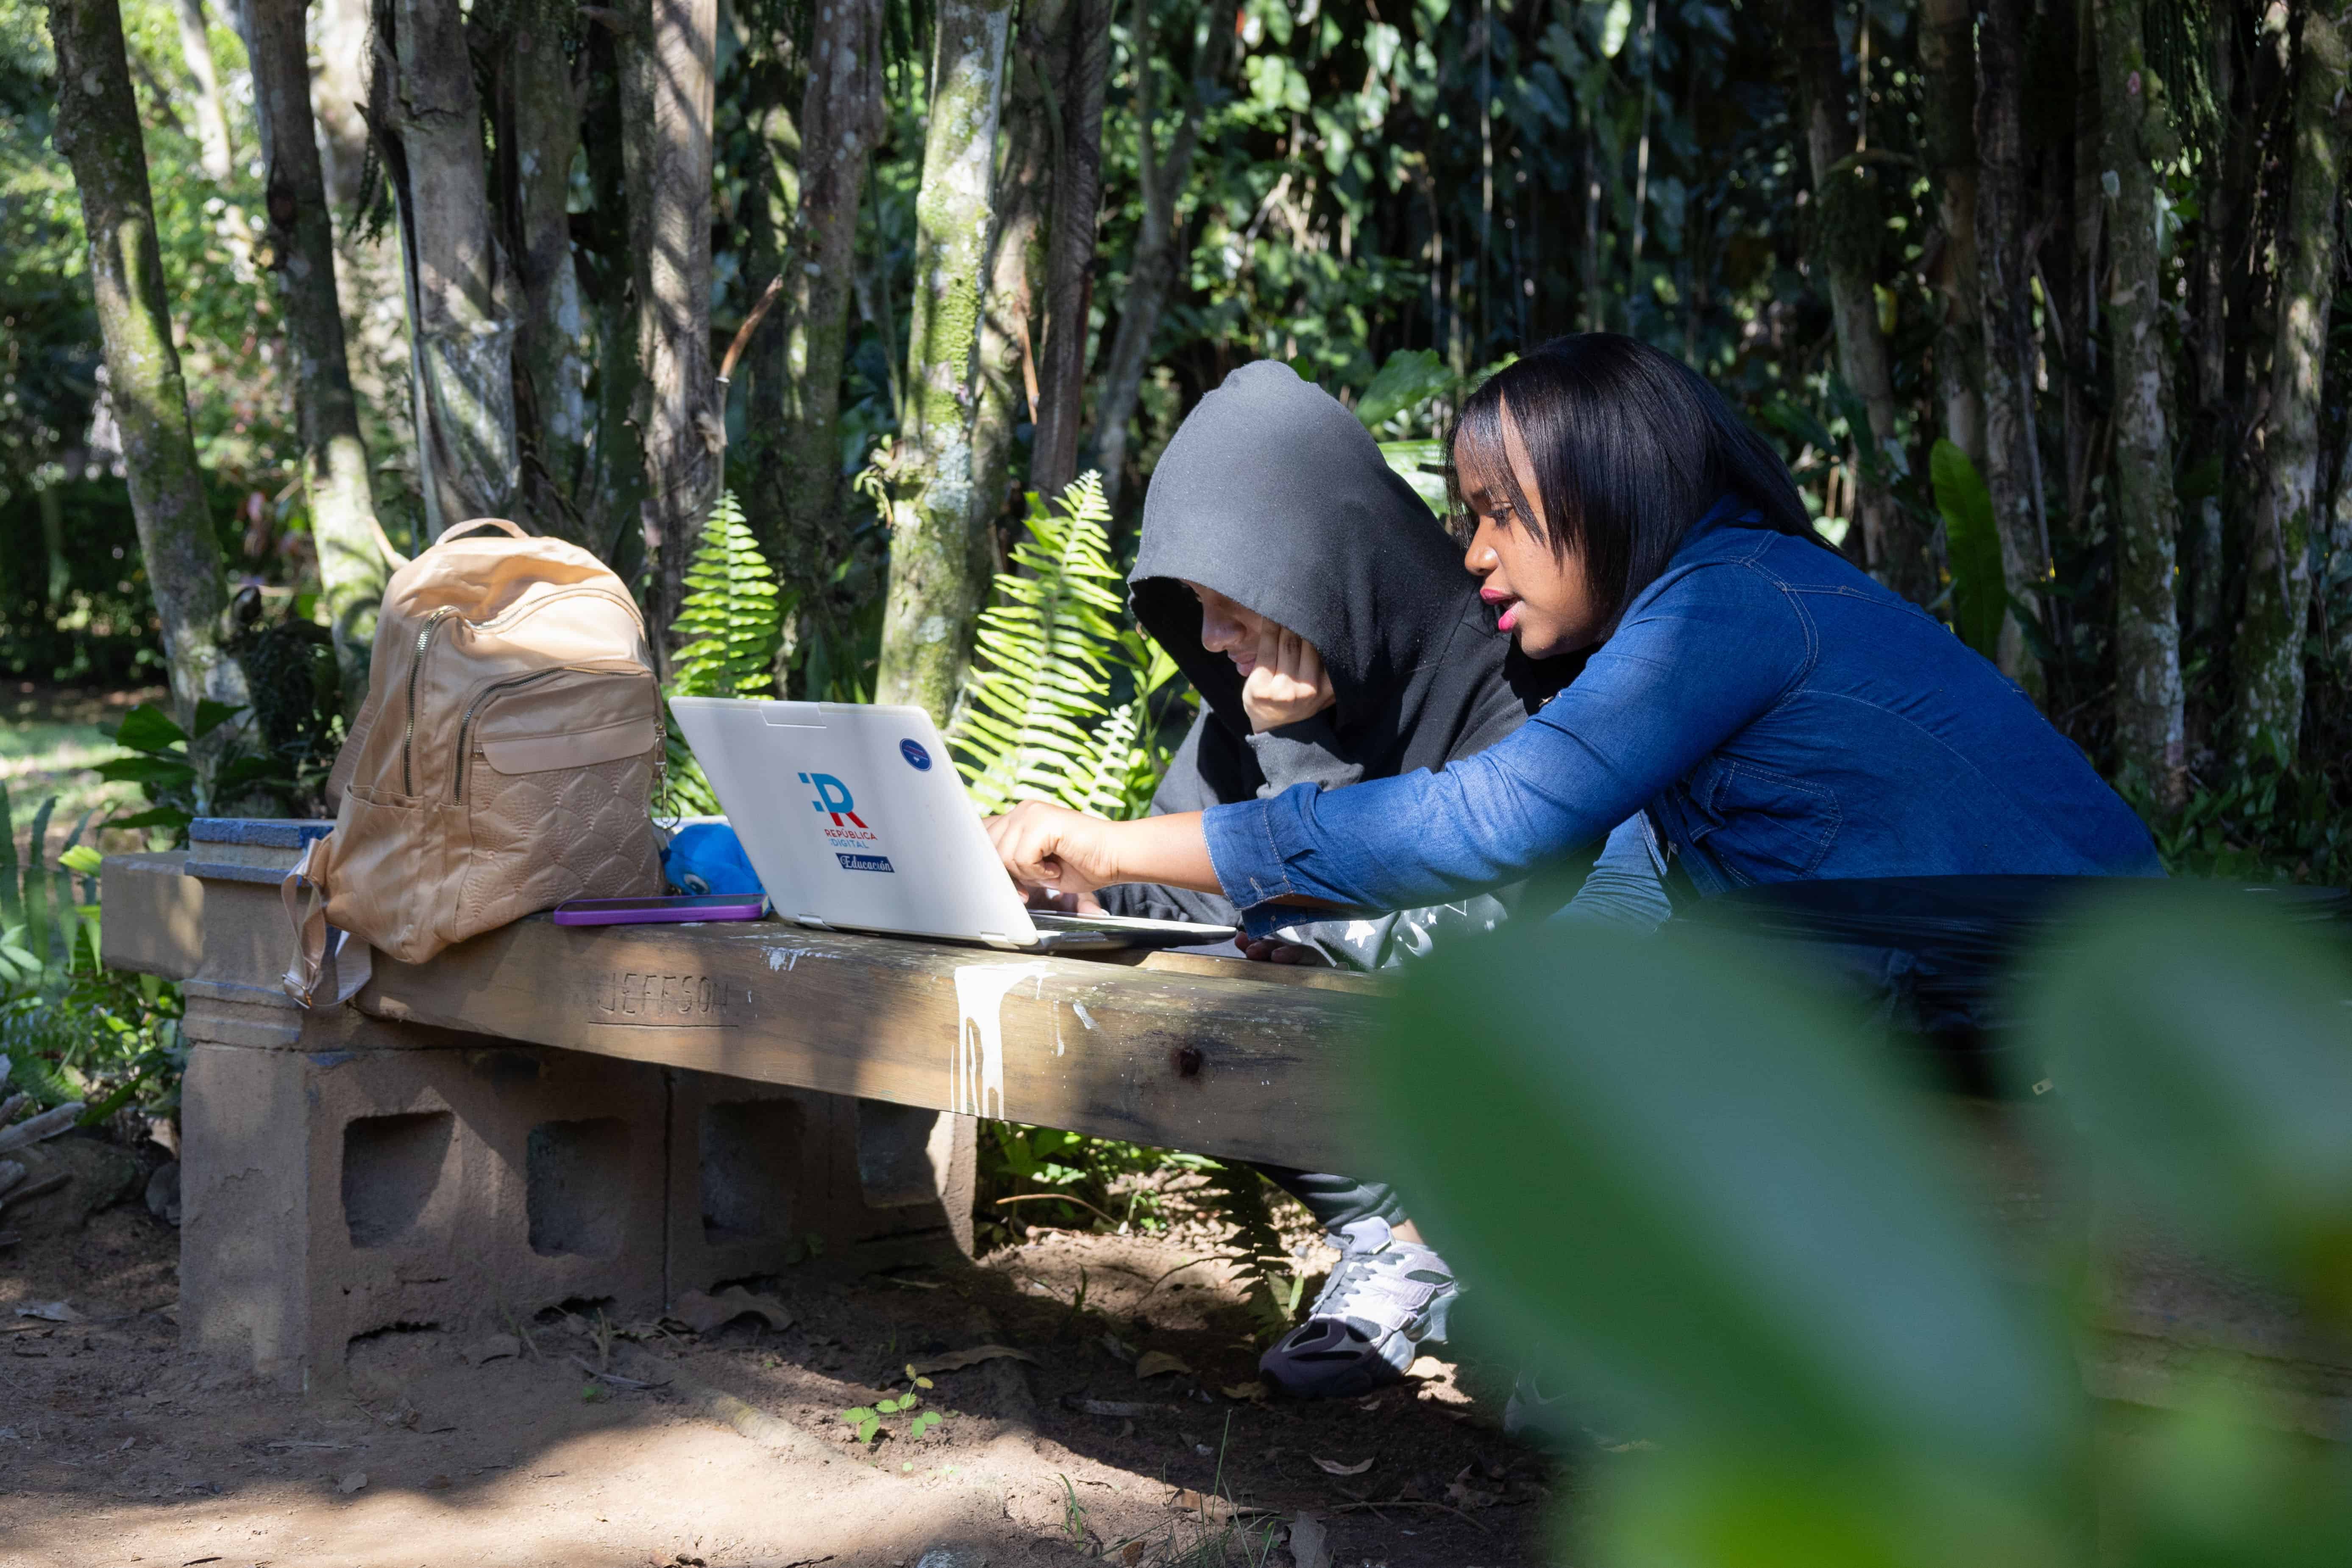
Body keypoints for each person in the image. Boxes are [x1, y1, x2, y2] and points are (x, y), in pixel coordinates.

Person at [988, 327, 2164, 1252]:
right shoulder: (1715, 610)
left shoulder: (1722, 605)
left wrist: (1112, 845)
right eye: (1464, 517)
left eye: (1498, 511)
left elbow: (1482, 821)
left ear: (1610, 488)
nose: (1473, 551)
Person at [1084, 358, 1584, 1400]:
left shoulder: (1521, 685)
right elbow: (1181, 890)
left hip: (1527, 1069)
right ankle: (1411, 1257)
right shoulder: (1258, 696)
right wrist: (1072, 892)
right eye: (1193, 607)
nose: (1212, 637)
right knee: (1204, 988)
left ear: (1316, 569)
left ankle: (1451, 1255)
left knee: (1309, 972)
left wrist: (1302, 755)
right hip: (1398, 1104)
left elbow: (1415, 925)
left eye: (1228, 601)